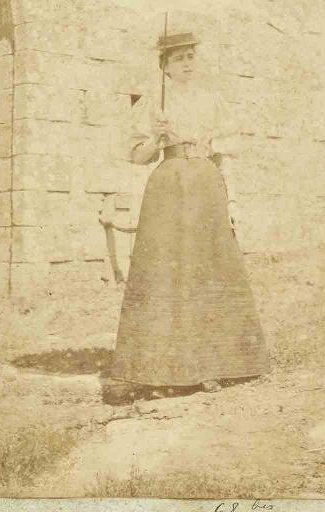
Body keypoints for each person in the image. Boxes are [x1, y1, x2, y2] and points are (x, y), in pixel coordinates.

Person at [105, 31, 270, 402]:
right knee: (168, 274)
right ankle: (163, 369)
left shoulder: (212, 100)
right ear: (164, 65)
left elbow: (225, 156)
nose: (187, 64)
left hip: (207, 186)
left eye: (191, 56)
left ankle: (219, 365)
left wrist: (232, 202)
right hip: (169, 187)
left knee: (211, 269)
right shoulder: (153, 103)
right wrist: (157, 138)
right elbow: (137, 156)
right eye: (179, 58)